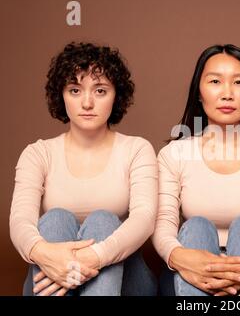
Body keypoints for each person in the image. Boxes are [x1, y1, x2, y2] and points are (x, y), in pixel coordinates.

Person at [10, 42, 158, 296]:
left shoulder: (136, 149)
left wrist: (94, 257)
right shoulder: (38, 154)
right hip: (52, 272)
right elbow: (20, 221)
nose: (87, 103)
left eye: (100, 90)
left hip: (125, 281)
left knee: (103, 220)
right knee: (55, 219)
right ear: (62, 95)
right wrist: (44, 254)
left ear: (116, 95)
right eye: (75, 90)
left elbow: (144, 219)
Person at [152, 44, 240, 296]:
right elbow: (163, 223)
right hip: (189, 271)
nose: (227, 94)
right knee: (196, 226)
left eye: (239, 83)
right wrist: (180, 257)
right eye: (215, 81)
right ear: (199, 92)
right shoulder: (173, 155)